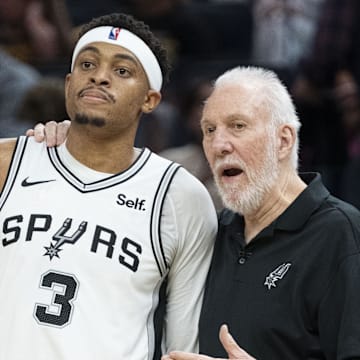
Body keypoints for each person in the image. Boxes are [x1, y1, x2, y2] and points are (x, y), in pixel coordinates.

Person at [27, 67, 360, 358]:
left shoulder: (340, 233)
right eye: (209, 130)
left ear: (284, 140)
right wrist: (72, 149)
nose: (219, 145)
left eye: (238, 126)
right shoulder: (211, 233)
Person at [0, 12, 217, 359]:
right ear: (68, 83)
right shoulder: (7, 162)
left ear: (150, 99)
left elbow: (182, 347)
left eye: (122, 71)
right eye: (87, 64)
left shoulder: (180, 197)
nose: (99, 77)